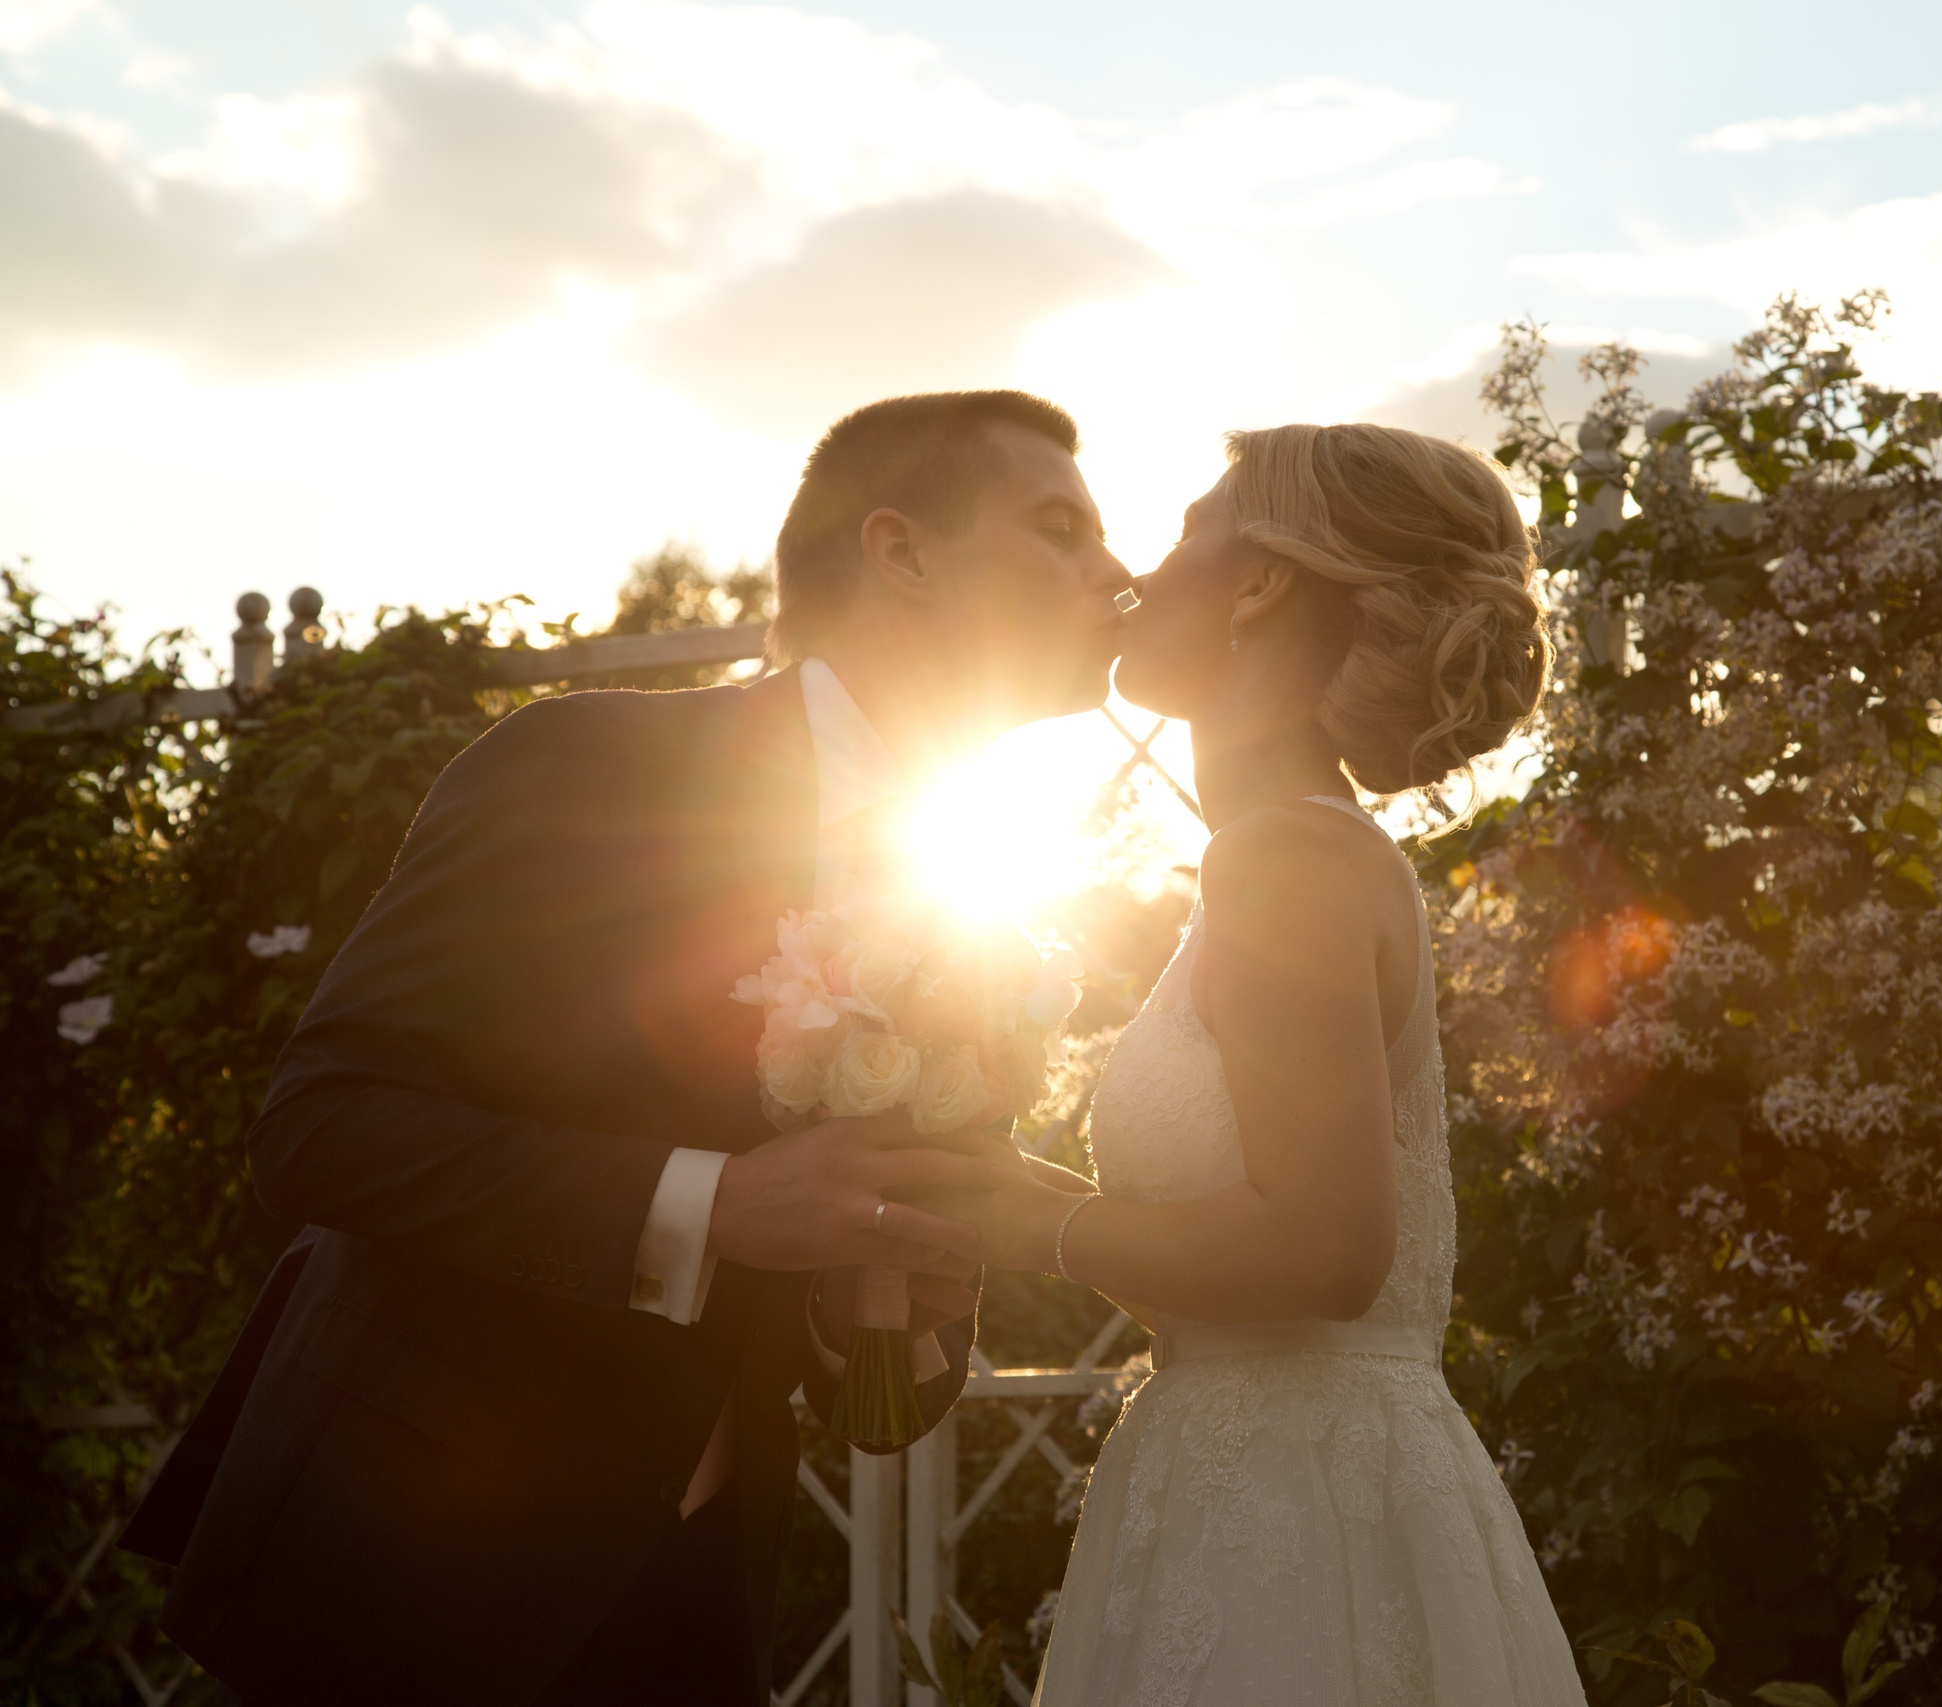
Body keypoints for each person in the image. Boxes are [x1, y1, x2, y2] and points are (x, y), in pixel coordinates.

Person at [120, 390, 1135, 1706]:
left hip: (693, 1602)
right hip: (401, 1577)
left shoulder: (972, 909)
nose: (1117, 571)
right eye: (1061, 528)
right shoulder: (587, 763)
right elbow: (322, 1121)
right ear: (902, 552)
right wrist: (721, 1205)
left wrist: (878, 1307)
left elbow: (876, 1390)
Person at [963, 422, 1588, 1704]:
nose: (1140, 568)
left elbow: (1322, 1253)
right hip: (1268, 1479)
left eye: (1188, 529)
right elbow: (1238, 1253)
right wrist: (1003, 1181)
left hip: (1293, 1525)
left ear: (1257, 582)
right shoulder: (1283, 853)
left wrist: (1021, 1222)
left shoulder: (1285, 861)